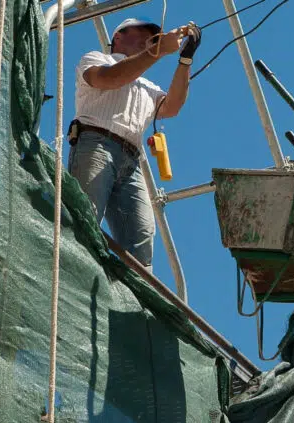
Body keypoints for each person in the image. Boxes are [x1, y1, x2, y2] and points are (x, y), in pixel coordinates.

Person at [67, 18, 201, 271]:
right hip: (96, 145)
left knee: (141, 238)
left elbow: (172, 106)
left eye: (151, 36)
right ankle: (76, 274)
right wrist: (158, 50)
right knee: (86, 217)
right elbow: (110, 79)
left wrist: (185, 60)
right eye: (141, 32)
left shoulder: (146, 86)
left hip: (130, 159)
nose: (147, 39)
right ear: (118, 36)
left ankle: (135, 300)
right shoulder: (96, 59)